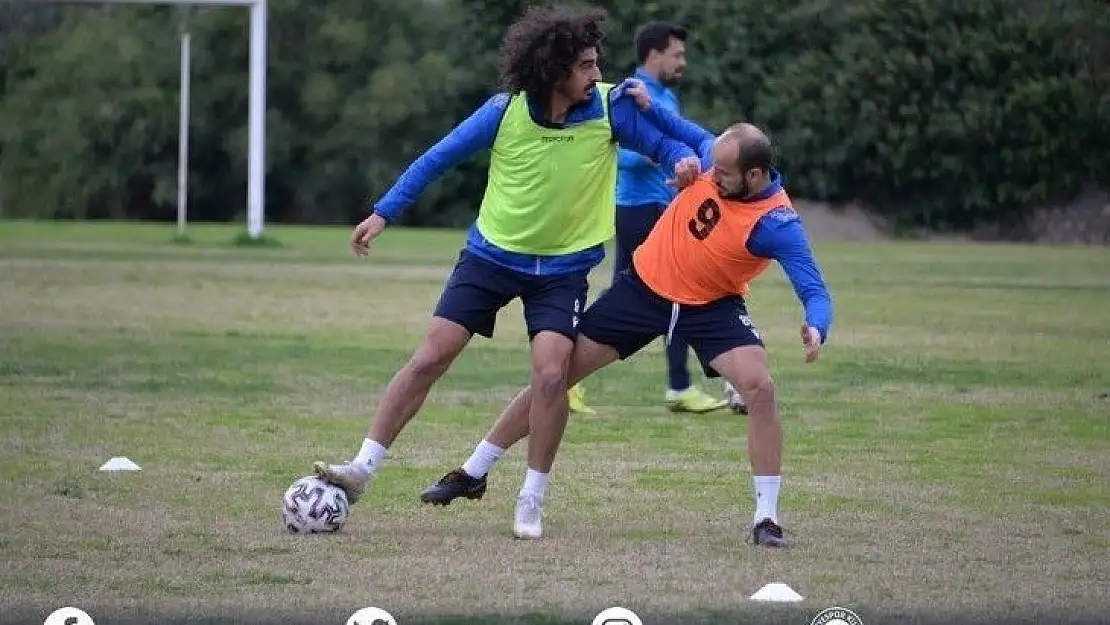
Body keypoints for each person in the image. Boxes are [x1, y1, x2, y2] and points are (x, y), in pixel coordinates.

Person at [310, 5, 706, 511]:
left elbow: (662, 145)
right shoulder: (503, 111)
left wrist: (683, 164)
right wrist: (384, 212)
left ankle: (531, 497)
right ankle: (362, 468)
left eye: (596, 62)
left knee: (549, 376)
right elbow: (438, 158)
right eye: (585, 65)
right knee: (431, 356)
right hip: (490, 257)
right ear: (553, 71)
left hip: (562, 270)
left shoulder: (612, 107)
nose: (597, 74)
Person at [421, 123, 834, 549]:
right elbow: (677, 128)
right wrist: (642, 100)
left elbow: (814, 289)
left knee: (759, 387)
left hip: (712, 307)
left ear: (755, 175)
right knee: (554, 379)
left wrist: (816, 326)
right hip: (643, 291)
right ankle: (473, 471)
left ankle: (766, 519)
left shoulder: (777, 223)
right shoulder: (716, 158)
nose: (713, 174)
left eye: (723, 173)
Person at [567, 20, 728, 417]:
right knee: (662, 294)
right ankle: (567, 373)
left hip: (664, 209)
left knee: (670, 294)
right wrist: (656, 151)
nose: (683, 62)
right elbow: (614, 153)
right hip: (638, 209)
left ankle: (679, 384)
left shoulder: (662, 99)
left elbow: (684, 143)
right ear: (654, 54)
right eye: (677, 54)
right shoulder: (626, 96)